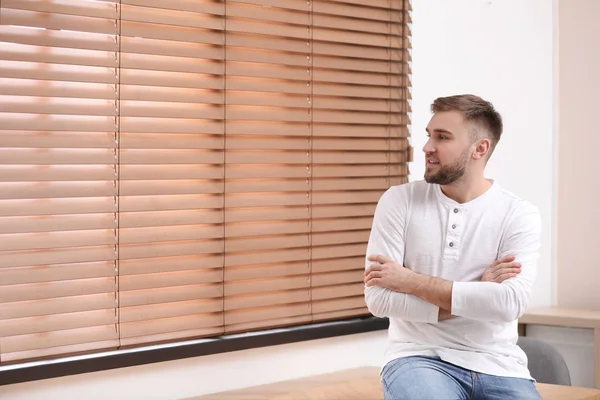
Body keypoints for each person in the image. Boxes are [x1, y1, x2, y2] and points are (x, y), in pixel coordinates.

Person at [364, 94, 542, 400]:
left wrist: (410, 281)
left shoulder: (519, 213)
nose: (427, 147)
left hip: (499, 364)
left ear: (480, 148)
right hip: (418, 359)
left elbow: (509, 303)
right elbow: (379, 299)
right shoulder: (398, 201)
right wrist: (477, 292)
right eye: (429, 135)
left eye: (442, 137)